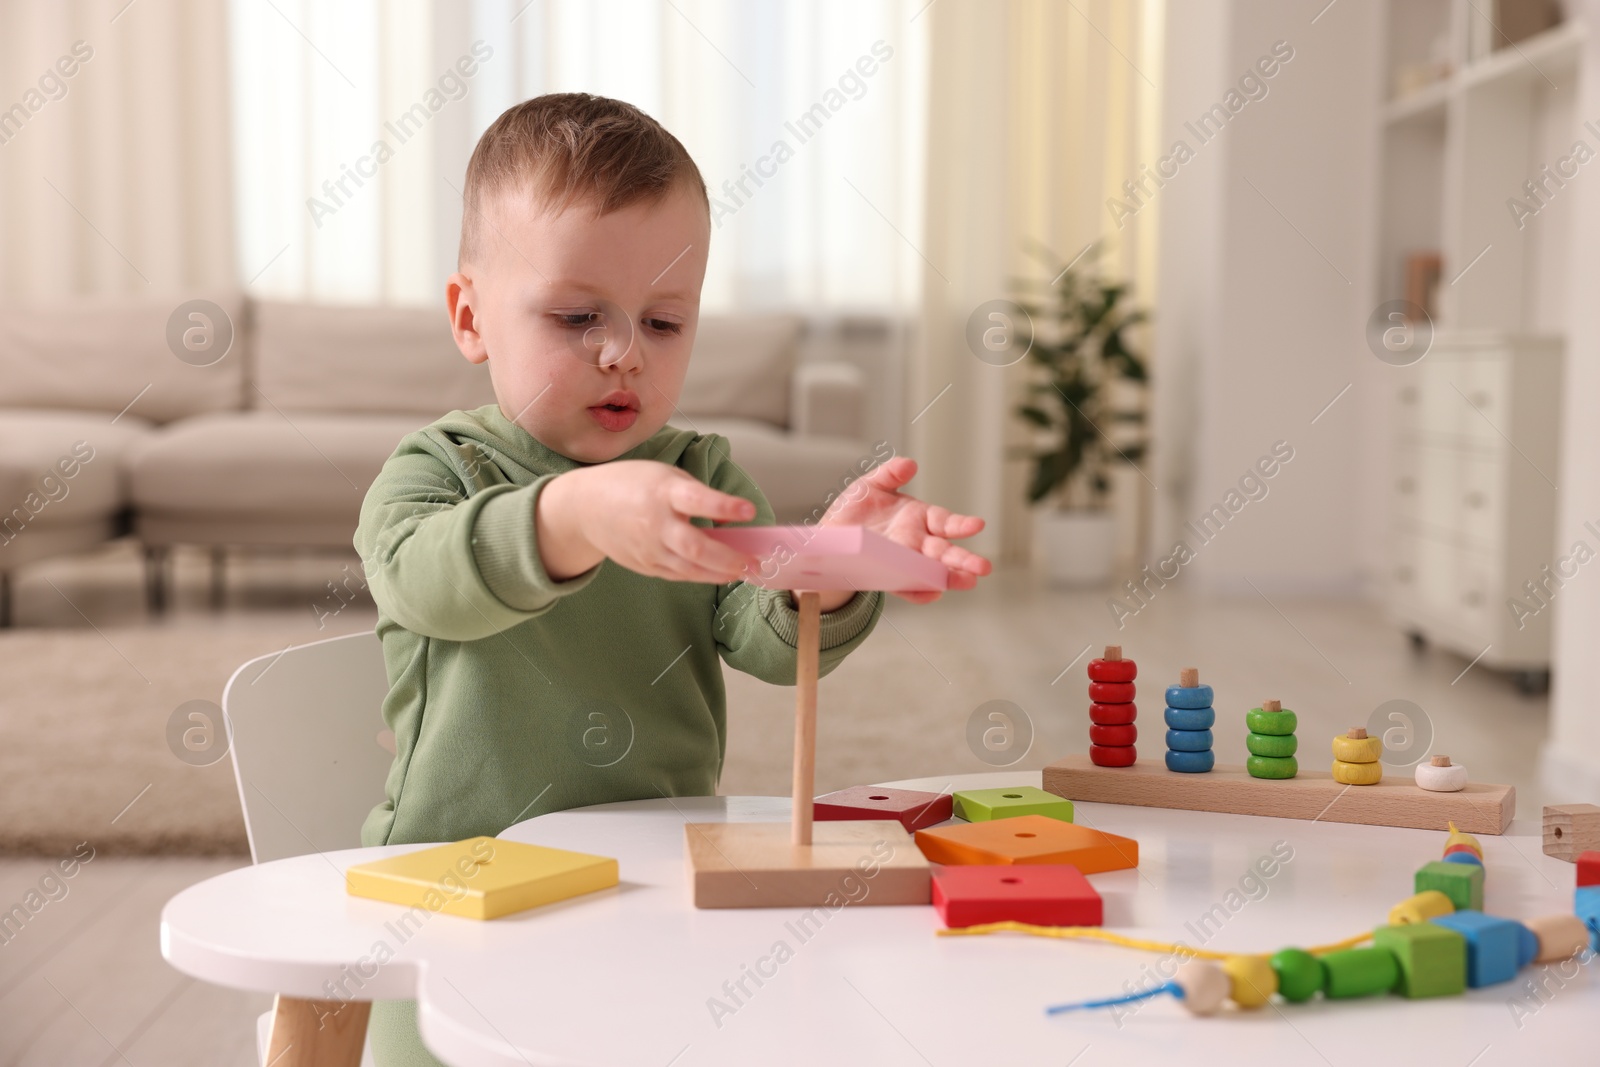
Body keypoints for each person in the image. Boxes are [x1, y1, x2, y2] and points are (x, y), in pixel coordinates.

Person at [353, 92, 991, 1065]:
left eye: (663, 320)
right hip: (449, 884)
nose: (623, 353)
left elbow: (764, 635)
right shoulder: (438, 471)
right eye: (576, 316)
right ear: (470, 316)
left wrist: (832, 561)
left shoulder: (700, 475)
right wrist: (572, 515)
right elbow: (421, 580)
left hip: (652, 875)